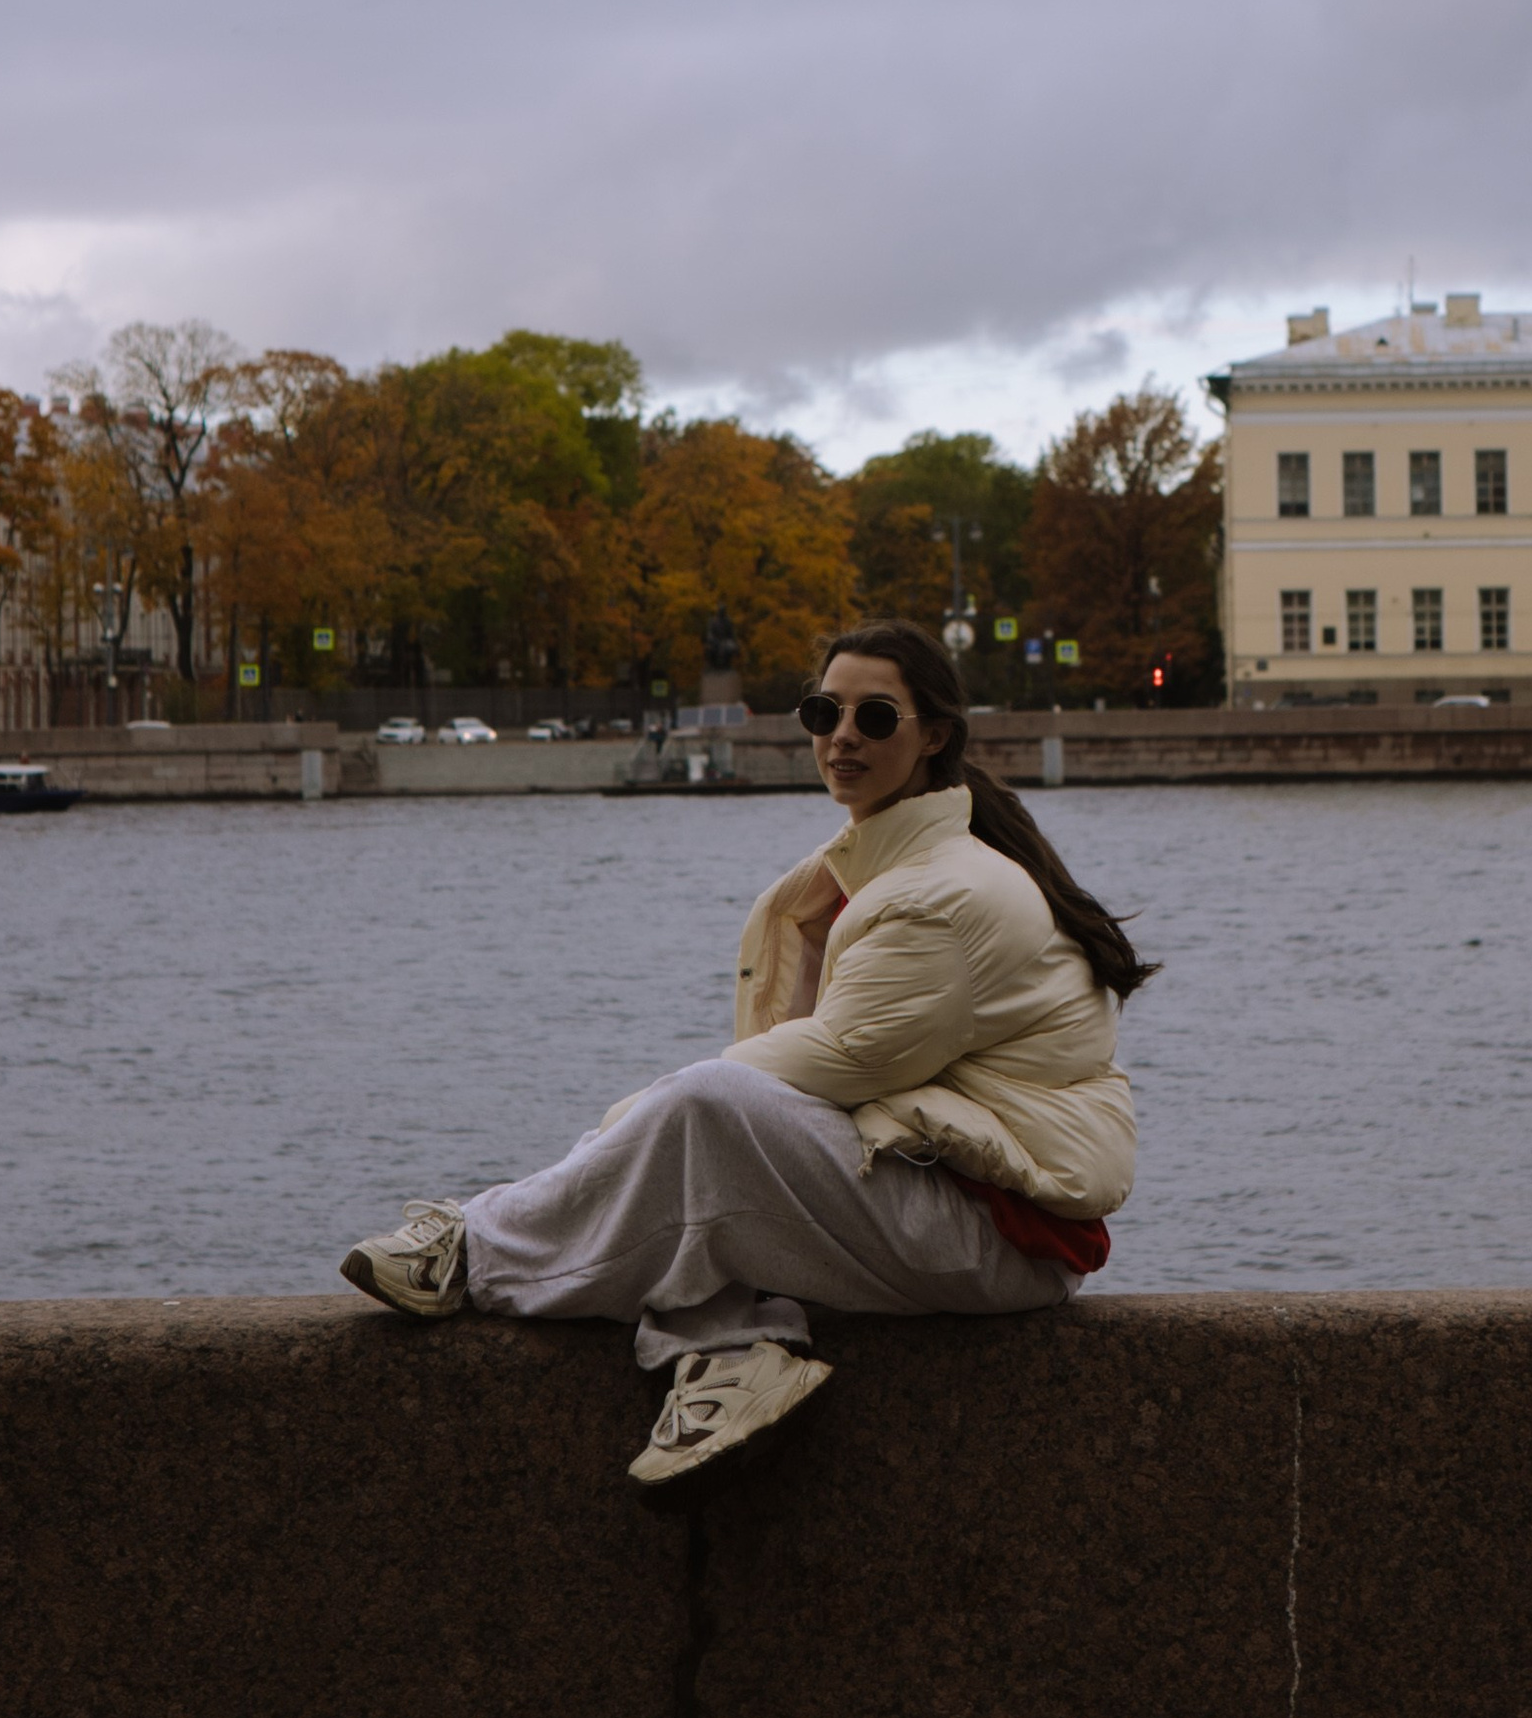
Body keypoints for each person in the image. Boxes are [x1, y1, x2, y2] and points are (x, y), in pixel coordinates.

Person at [340, 618, 1149, 1492]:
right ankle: (729, 1358)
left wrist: (629, 1125)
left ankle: (472, 1251)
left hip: (996, 1238)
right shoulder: (887, 870)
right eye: (822, 711)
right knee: (697, 1160)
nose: (842, 736)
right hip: (956, 1202)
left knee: (702, 1114)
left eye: (875, 718)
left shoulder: (941, 898)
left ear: (934, 736)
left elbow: (837, 1063)